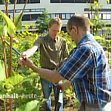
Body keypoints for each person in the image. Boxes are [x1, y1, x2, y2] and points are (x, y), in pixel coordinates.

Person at [20, 15, 111, 111]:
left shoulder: (85, 49)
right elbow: (80, 71)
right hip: (97, 103)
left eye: (69, 33)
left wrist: (32, 66)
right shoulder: (94, 45)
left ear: (74, 29)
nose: (71, 37)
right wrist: (66, 84)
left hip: (95, 106)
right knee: (47, 101)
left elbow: (55, 76)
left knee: (59, 103)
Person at [20, 17, 69, 111]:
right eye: (54, 30)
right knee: (46, 100)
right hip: (45, 73)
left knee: (59, 101)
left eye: (58, 31)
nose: (56, 33)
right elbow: (34, 48)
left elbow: (67, 57)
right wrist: (26, 53)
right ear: (49, 28)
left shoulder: (63, 42)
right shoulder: (42, 40)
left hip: (58, 73)